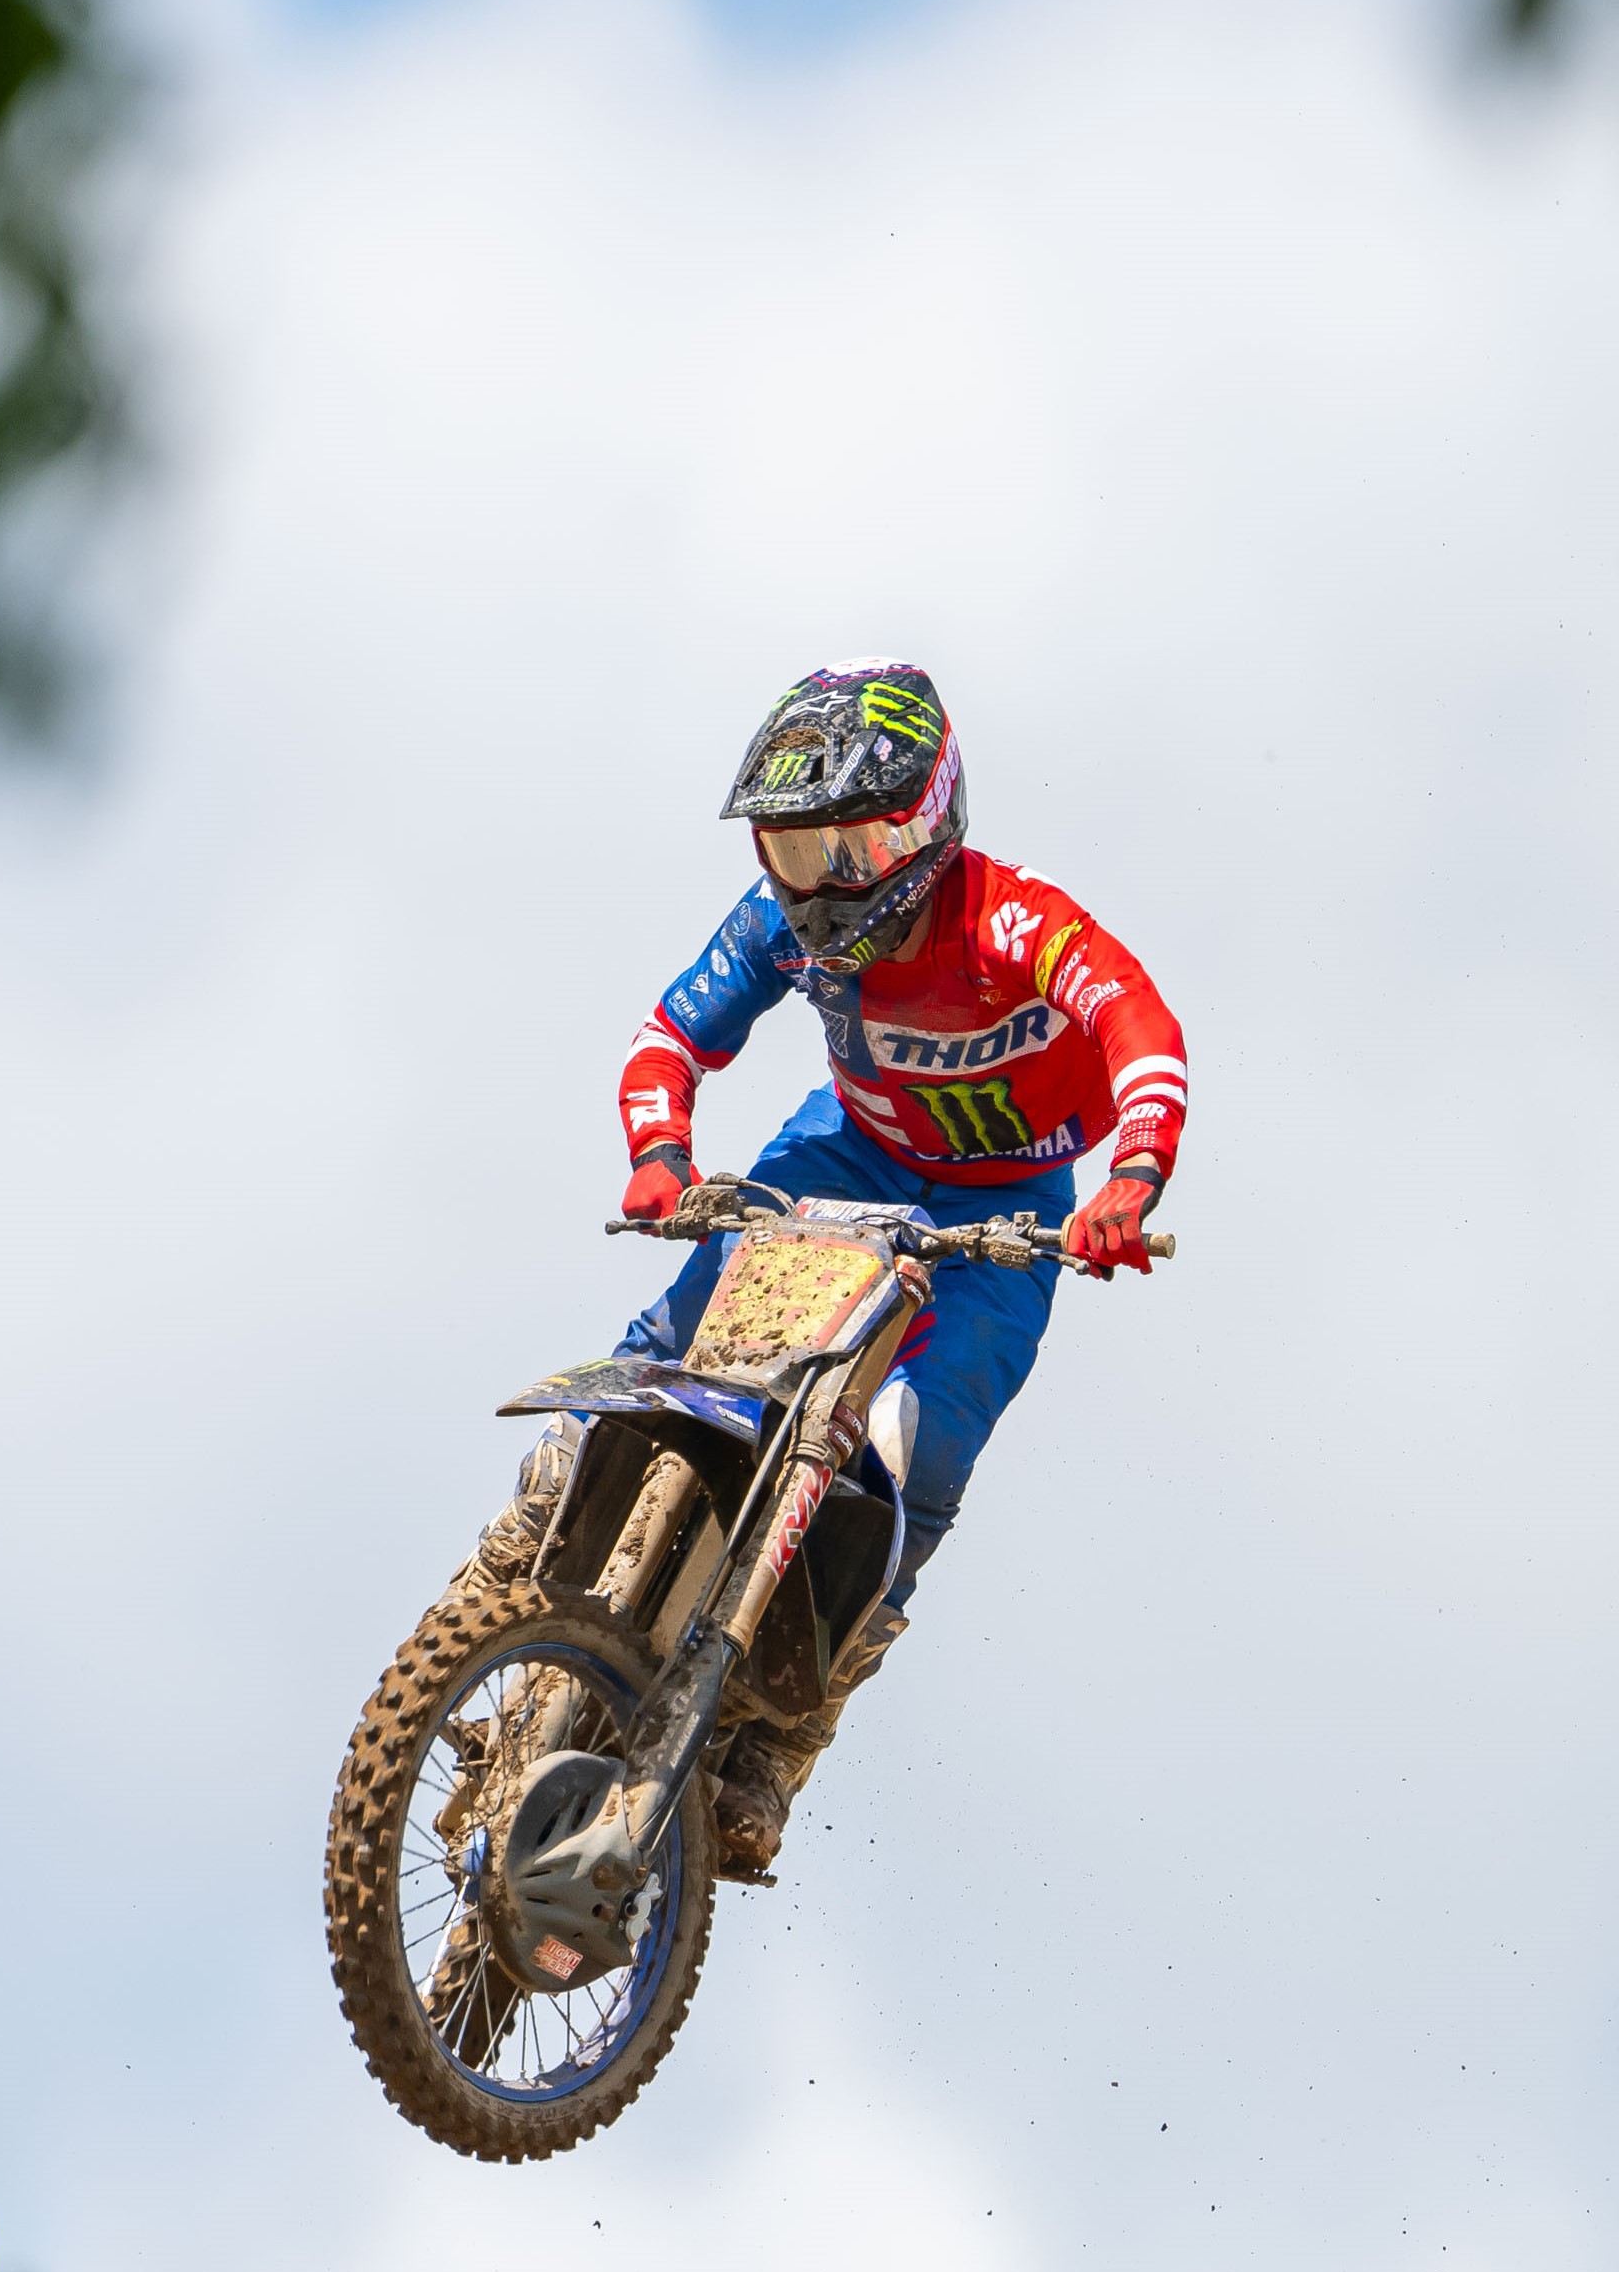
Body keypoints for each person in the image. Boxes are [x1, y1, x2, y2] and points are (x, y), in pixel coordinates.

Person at [505, 661, 1188, 1872]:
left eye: (851, 850)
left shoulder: (1011, 919)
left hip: (1008, 1216)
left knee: (921, 1446)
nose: (821, 889)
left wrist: (1132, 1179)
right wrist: (661, 1155)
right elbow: (671, 1036)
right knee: (672, 1335)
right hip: (847, 1154)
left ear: (926, 824)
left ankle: (784, 1736)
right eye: (793, 853)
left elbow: (1139, 1023)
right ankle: (532, 1536)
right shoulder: (779, 924)